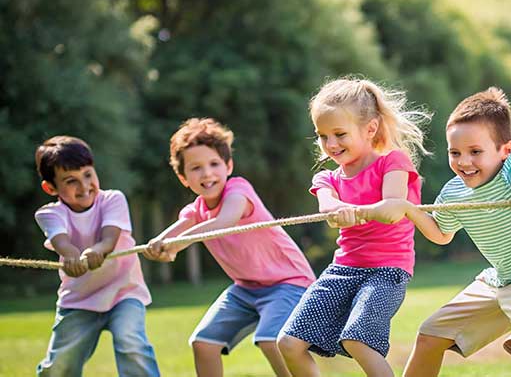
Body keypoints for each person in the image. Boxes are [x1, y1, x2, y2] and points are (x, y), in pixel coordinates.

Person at [366, 87, 511, 377]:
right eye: (455, 153)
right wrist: (407, 207)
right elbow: (441, 234)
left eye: (475, 152)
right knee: (429, 335)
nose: (464, 162)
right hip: (501, 279)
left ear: (505, 149)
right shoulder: (455, 191)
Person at [276, 78, 430, 377]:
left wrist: (356, 212)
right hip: (343, 270)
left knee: (358, 339)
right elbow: (328, 206)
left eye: (339, 134)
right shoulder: (327, 179)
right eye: (322, 136)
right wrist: (338, 210)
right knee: (289, 343)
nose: (331, 144)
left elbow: (392, 208)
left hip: (387, 270)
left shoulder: (393, 162)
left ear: (370, 129)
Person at [143, 118, 316, 377]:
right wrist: (159, 245)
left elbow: (224, 221)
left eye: (214, 164)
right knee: (203, 344)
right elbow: (175, 233)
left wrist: (176, 244)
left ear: (228, 166)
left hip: (289, 282)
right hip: (246, 288)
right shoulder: (196, 211)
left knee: (271, 340)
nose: (207, 173)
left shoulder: (238, 190)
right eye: (196, 168)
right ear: (183, 178)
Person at [33, 136, 159, 376]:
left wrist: (97, 250)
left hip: (124, 292)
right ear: (51, 188)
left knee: (130, 341)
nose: (84, 186)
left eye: (88, 174)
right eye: (71, 181)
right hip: (79, 300)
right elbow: (62, 243)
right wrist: (72, 257)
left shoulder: (112, 199)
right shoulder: (49, 214)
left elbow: (109, 239)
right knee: (61, 364)